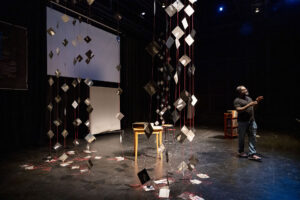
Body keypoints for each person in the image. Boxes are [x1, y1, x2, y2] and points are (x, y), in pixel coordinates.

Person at [234, 85, 263, 161]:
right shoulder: (237, 100)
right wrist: (249, 104)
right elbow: (238, 110)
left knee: (252, 137)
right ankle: (241, 152)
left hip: (251, 120)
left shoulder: (249, 98)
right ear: (239, 92)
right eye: (244, 90)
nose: (246, 90)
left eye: (246, 89)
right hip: (242, 122)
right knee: (241, 138)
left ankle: (252, 154)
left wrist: (257, 102)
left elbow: (253, 108)